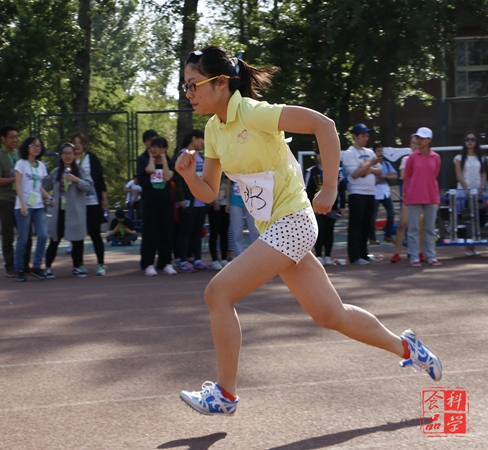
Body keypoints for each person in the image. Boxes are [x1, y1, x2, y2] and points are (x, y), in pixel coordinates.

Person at [174, 45, 442, 416]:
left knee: (218, 293)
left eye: (193, 84)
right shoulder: (213, 130)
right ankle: (410, 348)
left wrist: (330, 186)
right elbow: (208, 192)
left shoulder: (254, 113)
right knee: (331, 315)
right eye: (185, 86)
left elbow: (324, 125)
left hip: (294, 222)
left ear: (221, 82)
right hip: (274, 229)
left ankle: (225, 395)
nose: (188, 93)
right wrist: (189, 176)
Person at [42, 142, 94, 279]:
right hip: (59, 211)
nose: (67, 156)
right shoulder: (56, 172)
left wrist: (76, 180)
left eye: (70, 153)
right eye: (64, 153)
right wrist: (41, 173)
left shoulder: (80, 171)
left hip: (75, 211)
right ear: (60, 155)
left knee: (77, 240)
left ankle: (77, 267)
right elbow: (44, 186)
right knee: (54, 239)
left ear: (74, 155)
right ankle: (47, 268)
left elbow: (89, 186)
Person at [0, 125, 32, 277]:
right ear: (3, 139)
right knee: (8, 234)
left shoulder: (21, 155)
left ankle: (25, 265)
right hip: (5, 200)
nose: (15, 140)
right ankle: (10, 266)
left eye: (16, 137)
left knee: (26, 233)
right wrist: (15, 179)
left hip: (21, 199)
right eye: (11, 137)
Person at [342, 124, 383, 264]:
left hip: (370, 193)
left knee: (367, 224)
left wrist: (367, 168)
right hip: (357, 193)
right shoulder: (349, 153)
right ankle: (355, 256)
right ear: (355, 136)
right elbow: (355, 174)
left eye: (367, 136)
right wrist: (370, 166)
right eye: (362, 136)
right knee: (356, 225)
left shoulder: (370, 152)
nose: (365, 138)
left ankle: (364, 254)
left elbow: (380, 171)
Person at [136, 136, 177, 276]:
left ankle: (166, 263)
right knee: (150, 234)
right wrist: (151, 159)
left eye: (158, 147)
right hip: (150, 203)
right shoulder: (143, 161)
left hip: (166, 203)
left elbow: (167, 177)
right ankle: (148, 264)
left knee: (166, 233)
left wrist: (164, 160)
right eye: (152, 146)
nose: (154, 149)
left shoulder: (170, 163)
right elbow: (149, 170)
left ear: (164, 149)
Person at [71, 133, 108, 276]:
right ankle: (79, 264)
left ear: (84, 144)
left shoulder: (91, 158)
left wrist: (104, 197)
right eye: (74, 142)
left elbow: (100, 178)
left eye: (80, 142)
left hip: (92, 201)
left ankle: (101, 264)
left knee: (95, 233)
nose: (77, 145)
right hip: (76, 203)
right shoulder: (69, 160)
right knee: (78, 235)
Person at [172, 130, 210, 272]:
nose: (203, 142)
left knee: (197, 231)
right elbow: (178, 179)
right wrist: (181, 198)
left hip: (201, 200)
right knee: (185, 231)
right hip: (188, 200)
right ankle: (183, 260)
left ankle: (197, 259)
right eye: (202, 139)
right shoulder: (182, 155)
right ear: (194, 138)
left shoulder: (200, 155)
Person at [13, 136, 50, 282]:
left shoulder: (41, 166)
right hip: (24, 206)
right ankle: (19, 269)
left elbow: (39, 186)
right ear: (27, 147)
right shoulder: (21, 164)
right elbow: (17, 185)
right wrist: (23, 204)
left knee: (43, 234)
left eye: (39, 146)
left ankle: (36, 267)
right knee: (23, 238)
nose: (36, 148)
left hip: (38, 205)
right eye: (33, 145)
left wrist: (49, 197)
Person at [404, 127, 441, 267]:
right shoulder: (412, 157)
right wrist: (407, 194)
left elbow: (434, 174)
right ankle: (414, 257)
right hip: (414, 196)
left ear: (429, 140)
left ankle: (431, 256)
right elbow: (407, 177)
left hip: (431, 196)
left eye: (422, 138)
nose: (419, 141)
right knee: (413, 228)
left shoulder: (436, 157)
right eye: (418, 138)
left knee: (430, 228)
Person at [305, 151, 346, 266]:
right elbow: (307, 189)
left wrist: (342, 205)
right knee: (319, 230)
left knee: (329, 231)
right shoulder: (311, 171)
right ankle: (318, 255)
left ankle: (328, 256)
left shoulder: (337, 171)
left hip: (332, 206)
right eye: (319, 154)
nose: (321, 156)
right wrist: (308, 206)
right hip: (316, 207)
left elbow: (341, 188)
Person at [391, 135, 425, 263]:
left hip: (422, 196)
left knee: (420, 226)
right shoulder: (406, 159)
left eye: (418, 143)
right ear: (410, 145)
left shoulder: (425, 158)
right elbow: (404, 177)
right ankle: (397, 253)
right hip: (409, 196)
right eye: (413, 143)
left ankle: (420, 252)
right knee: (403, 224)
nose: (416, 146)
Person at [454, 132, 486, 256]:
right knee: (466, 218)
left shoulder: (481, 158)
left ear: (476, 141)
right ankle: (467, 247)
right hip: (463, 191)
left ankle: (474, 246)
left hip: (478, 191)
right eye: (467, 139)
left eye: (473, 139)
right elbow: (459, 175)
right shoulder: (459, 157)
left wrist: (481, 188)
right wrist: (467, 189)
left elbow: (483, 174)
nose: (470, 141)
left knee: (477, 218)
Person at [369, 144, 398, 245]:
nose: (380, 153)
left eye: (381, 151)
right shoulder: (370, 165)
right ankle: (372, 237)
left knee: (391, 213)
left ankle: (388, 235)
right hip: (374, 192)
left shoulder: (387, 164)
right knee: (373, 216)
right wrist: (381, 179)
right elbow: (370, 181)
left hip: (385, 192)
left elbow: (395, 176)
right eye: (378, 151)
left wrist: (384, 177)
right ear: (374, 153)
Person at [225, 179, 259, 256]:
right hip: (235, 202)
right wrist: (228, 202)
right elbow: (228, 183)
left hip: (251, 201)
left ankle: (256, 255)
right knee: (237, 231)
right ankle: (239, 255)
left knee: (254, 230)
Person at [208, 173, 230, 270]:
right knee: (214, 232)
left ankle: (224, 258)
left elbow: (228, 184)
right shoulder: (212, 170)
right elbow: (209, 184)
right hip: (214, 204)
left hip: (225, 203)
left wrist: (228, 203)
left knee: (224, 232)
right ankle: (214, 260)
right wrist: (215, 201)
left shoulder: (227, 171)